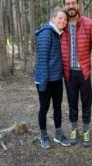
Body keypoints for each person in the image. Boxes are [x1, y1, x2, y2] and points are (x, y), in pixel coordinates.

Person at [61, 0, 92, 148]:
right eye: (68, 4)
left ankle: (86, 131)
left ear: (78, 5)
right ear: (64, 6)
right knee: (72, 103)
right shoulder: (62, 26)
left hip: (85, 72)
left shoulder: (88, 24)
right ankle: (74, 130)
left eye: (73, 3)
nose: (71, 6)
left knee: (87, 103)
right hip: (69, 73)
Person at [34, 8, 70, 148]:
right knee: (44, 107)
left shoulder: (58, 34)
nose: (63, 21)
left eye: (65, 19)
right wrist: (43, 85)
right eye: (60, 18)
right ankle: (43, 136)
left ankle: (58, 134)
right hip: (44, 79)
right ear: (53, 19)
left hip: (56, 79)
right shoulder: (46, 33)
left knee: (57, 107)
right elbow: (43, 60)